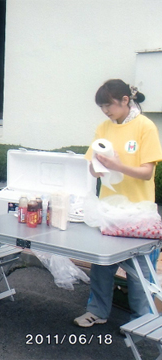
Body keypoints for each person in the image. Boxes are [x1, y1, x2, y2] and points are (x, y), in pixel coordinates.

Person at [74, 79, 162, 328]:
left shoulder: (145, 127)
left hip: (139, 212)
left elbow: (146, 172)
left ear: (126, 100)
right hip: (109, 210)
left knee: (140, 272)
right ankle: (97, 311)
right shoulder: (104, 127)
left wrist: (116, 165)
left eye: (108, 105)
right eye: (102, 107)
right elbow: (92, 168)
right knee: (102, 265)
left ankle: (142, 322)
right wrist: (98, 167)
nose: (105, 111)